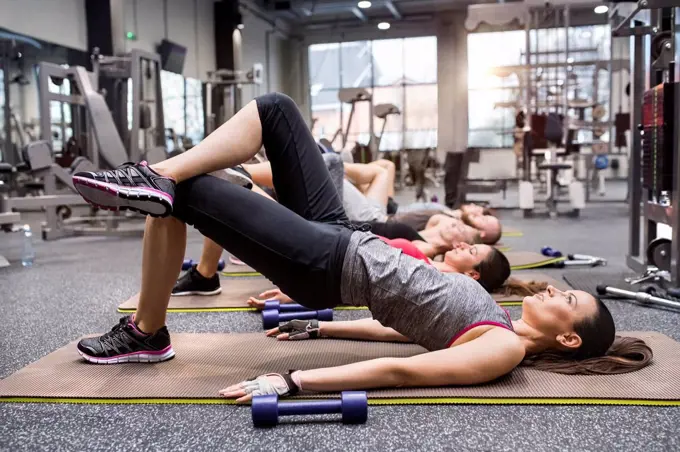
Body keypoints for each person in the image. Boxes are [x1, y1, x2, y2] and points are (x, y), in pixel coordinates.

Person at [71, 93, 650, 400]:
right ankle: (150, 177)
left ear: (567, 337)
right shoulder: (494, 318)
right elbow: (407, 325)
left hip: (328, 264)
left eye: (566, 301)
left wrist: (295, 381)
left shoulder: (504, 352)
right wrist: (322, 329)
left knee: (190, 192)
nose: (554, 287)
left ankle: (147, 334)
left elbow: (403, 371)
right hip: (345, 239)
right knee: (275, 110)